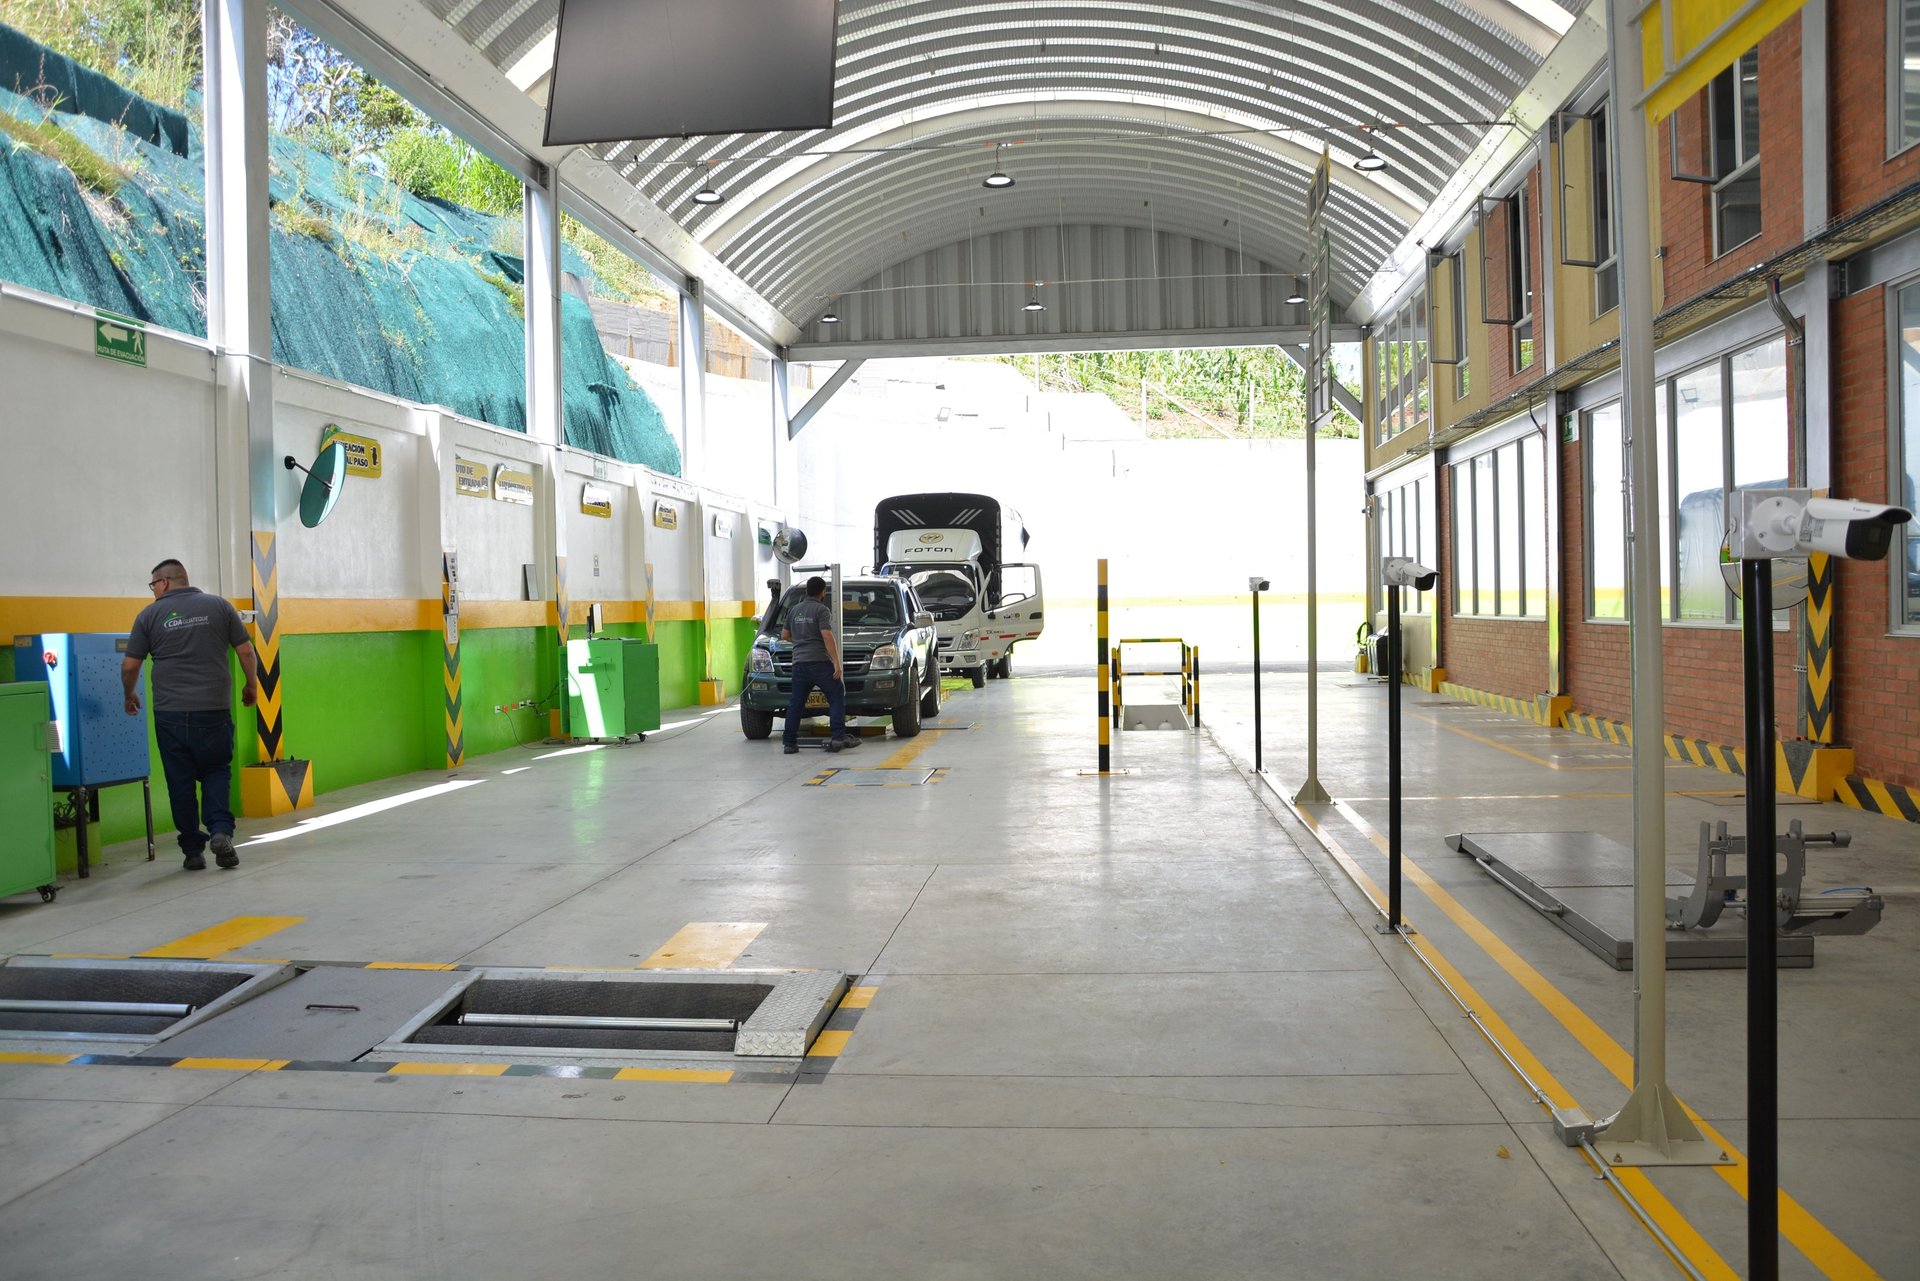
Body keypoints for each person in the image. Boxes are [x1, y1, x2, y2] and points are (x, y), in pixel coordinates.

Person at [123, 559, 260, 871]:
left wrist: (129, 693)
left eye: (153, 585)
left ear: (165, 583)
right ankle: (221, 832)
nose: (153, 591)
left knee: (180, 781)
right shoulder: (219, 607)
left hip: (170, 714)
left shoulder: (148, 616)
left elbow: (130, 666)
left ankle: (192, 852)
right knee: (216, 771)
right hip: (213, 709)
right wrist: (251, 686)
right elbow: (246, 651)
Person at [781, 575, 859, 756]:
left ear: (807, 590)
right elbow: (827, 636)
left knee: (796, 703)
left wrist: (800, 641)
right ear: (822, 592)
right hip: (819, 663)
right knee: (836, 693)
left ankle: (789, 743)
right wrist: (837, 663)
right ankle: (838, 736)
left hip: (799, 664)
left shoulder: (794, 610)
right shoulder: (821, 610)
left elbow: (785, 635)